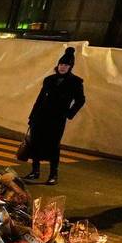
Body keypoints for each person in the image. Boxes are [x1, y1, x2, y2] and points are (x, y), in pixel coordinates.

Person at [24, 47, 85, 185]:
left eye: (66, 65)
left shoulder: (75, 82)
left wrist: (69, 113)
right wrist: (31, 117)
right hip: (40, 116)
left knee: (53, 146)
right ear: (58, 65)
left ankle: (53, 174)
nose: (63, 67)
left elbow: (80, 100)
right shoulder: (49, 80)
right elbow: (40, 99)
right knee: (35, 143)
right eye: (61, 64)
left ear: (70, 67)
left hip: (57, 118)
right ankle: (35, 171)